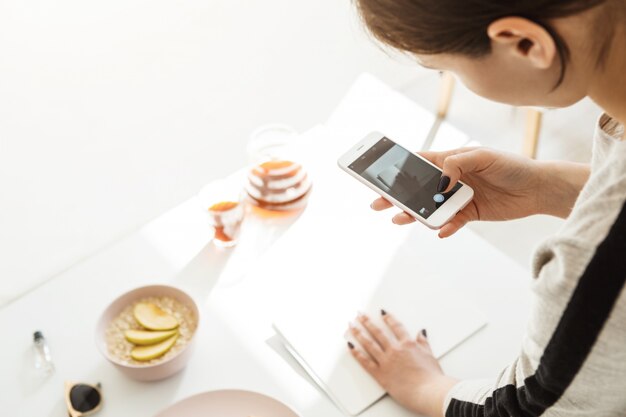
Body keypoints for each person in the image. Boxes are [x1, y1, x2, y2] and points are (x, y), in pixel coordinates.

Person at [345, 1, 626, 416]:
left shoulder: (591, 267)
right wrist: (545, 187)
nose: (454, 81)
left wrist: (425, 386)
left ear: (526, 44)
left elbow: (523, 408)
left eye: (447, 69)